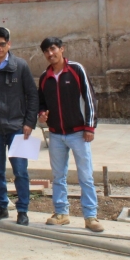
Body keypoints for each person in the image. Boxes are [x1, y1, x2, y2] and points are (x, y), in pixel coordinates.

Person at [37, 37, 104, 233]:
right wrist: (42, 114)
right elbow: (41, 103)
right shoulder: (44, 77)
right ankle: (61, 213)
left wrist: (90, 127)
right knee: (58, 176)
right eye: (46, 51)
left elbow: (89, 98)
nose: (51, 54)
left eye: (53, 49)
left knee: (85, 176)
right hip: (56, 134)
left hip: (78, 134)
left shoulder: (76, 70)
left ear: (61, 49)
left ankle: (90, 216)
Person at [0, 27, 39, 226]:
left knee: (21, 171)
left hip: (19, 128)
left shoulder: (20, 66)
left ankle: (23, 210)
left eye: (3, 44)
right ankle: (2, 206)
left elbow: (33, 95)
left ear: (9, 44)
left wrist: (29, 122)